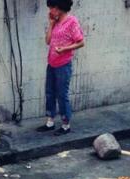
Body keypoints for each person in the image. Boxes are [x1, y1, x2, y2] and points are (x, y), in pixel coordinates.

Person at [37, 0, 84, 135]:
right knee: (50, 92)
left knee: (62, 95)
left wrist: (65, 49)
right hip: (51, 63)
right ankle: (50, 121)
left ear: (59, 8)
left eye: (52, 7)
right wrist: (51, 24)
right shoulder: (56, 22)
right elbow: (47, 41)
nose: (50, 11)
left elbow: (81, 42)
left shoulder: (72, 22)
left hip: (63, 65)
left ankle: (65, 125)